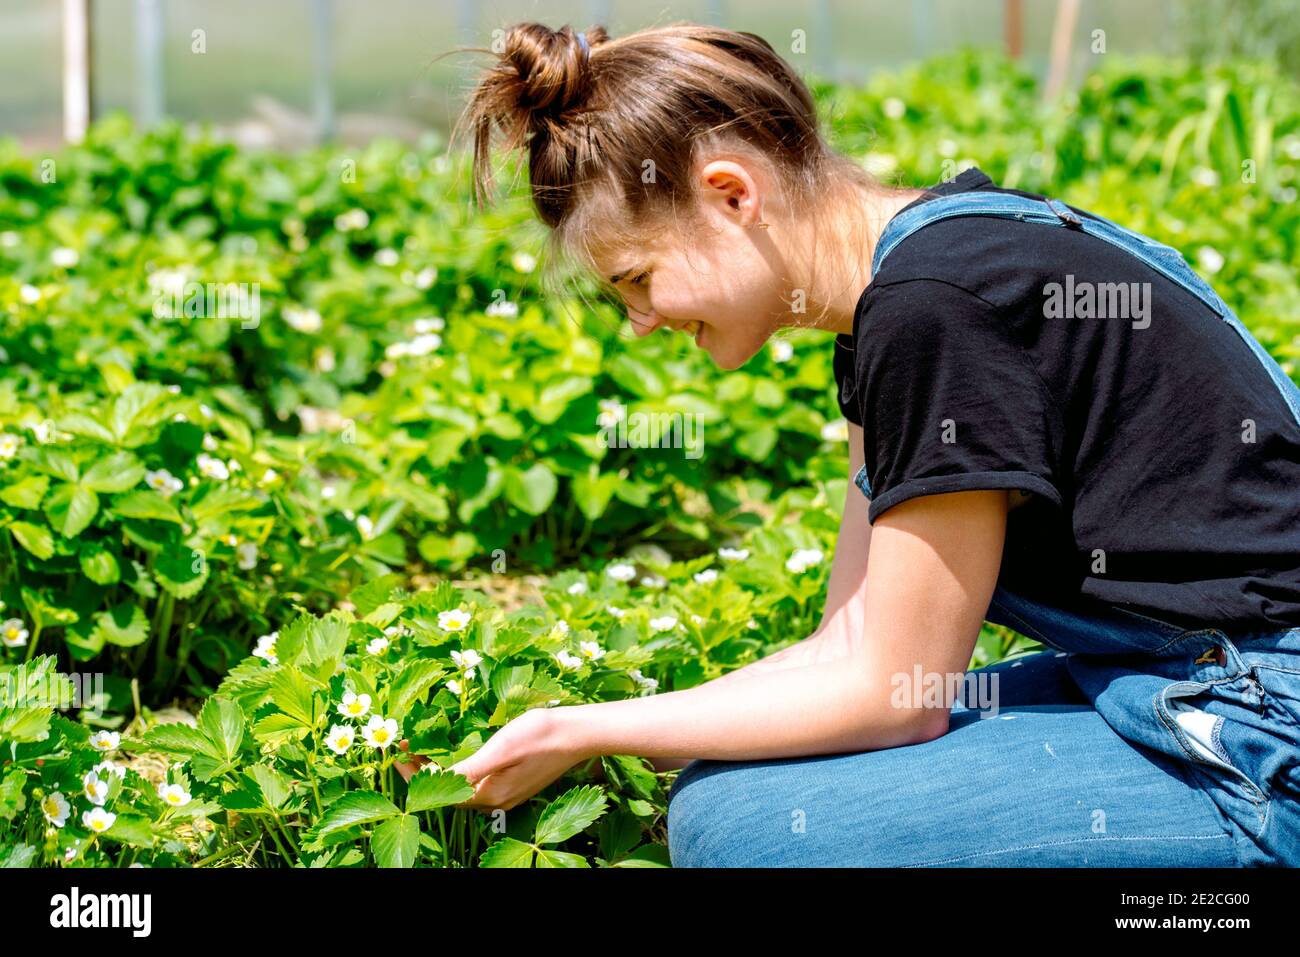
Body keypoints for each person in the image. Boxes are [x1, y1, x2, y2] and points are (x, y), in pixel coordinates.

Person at [398, 21, 1300, 866]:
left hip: (1262, 721)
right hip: (1168, 673)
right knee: (730, 789)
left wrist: (589, 729)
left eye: (637, 279)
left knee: (747, 834)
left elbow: (889, 697)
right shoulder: (928, 263)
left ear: (731, 194)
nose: (639, 323)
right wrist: (595, 725)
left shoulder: (930, 307)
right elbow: (854, 643)